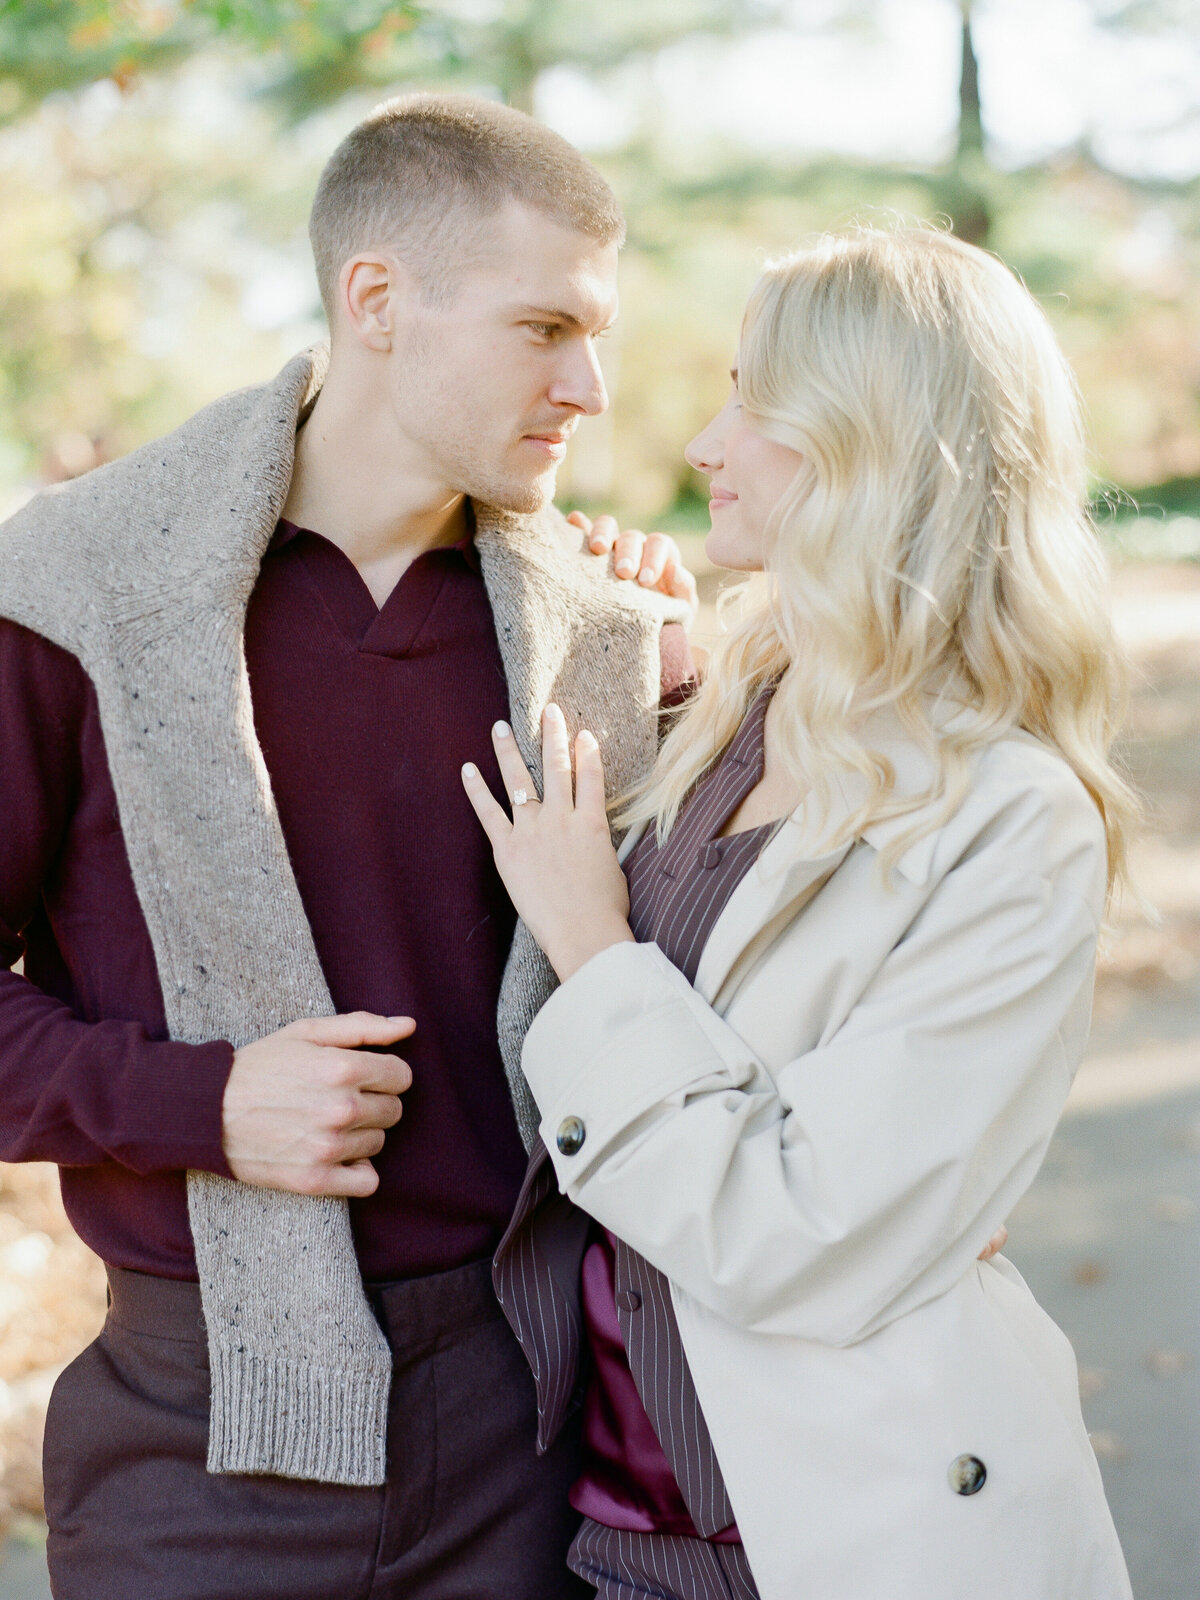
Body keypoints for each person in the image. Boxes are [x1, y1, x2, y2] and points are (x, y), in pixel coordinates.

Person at [0, 94, 698, 1599]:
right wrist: (204, 1102)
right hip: (196, 1450)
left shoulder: (604, 639)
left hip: (532, 1431)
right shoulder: (75, 597)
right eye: (541, 328)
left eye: (600, 336)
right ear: (376, 301)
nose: (589, 385)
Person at [463, 226, 1139, 1600]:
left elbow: (806, 1235)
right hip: (601, 1530)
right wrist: (611, 627)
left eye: (753, 402)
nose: (707, 442)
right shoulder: (719, 719)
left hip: (843, 1541)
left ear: (875, 442)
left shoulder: (1013, 819)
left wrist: (595, 948)